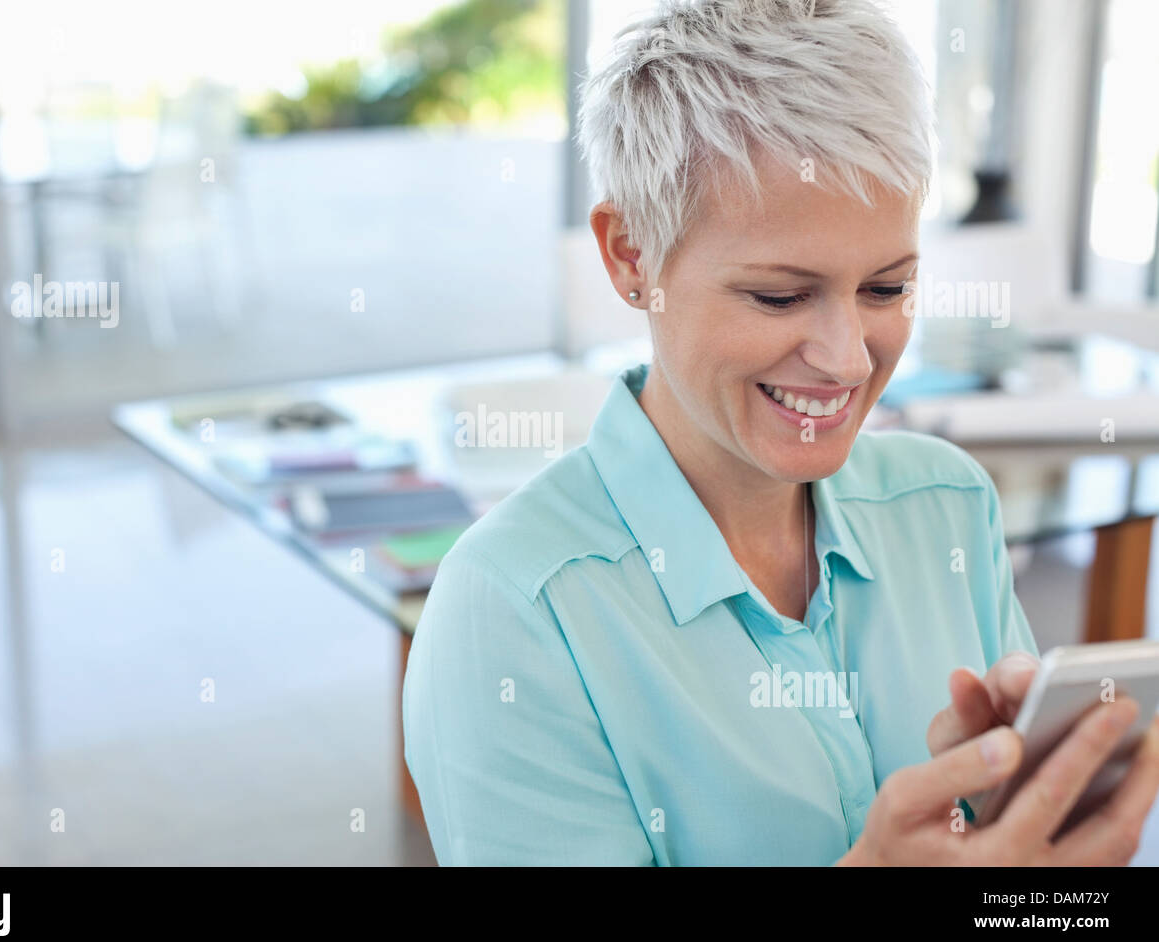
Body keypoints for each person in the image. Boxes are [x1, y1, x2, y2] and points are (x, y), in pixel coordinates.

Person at [402, 0, 1159, 865]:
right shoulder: (512, 611)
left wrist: (1042, 853)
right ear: (630, 256)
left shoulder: (947, 508)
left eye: (885, 289)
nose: (846, 361)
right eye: (779, 296)